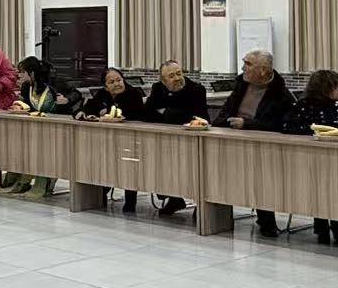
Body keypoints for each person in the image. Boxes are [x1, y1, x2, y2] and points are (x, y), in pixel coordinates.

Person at [216, 51, 296, 236]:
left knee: (261, 178)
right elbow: (224, 112)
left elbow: (283, 125)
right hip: (230, 138)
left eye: (248, 64)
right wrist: (225, 123)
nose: (243, 68)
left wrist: (247, 124)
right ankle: (211, 213)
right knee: (215, 170)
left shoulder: (281, 95)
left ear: (263, 70)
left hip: (262, 146)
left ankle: (266, 221)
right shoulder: (240, 85)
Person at [283, 70, 338, 245]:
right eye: (336, 87)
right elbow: (289, 128)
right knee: (319, 189)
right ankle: (322, 231)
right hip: (311, 161)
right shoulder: (303, 105)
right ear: (326, 89)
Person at [0, 56, 75, 201]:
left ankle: (44, 183)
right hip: (37, 129)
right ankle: (21, 182)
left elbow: (76, 94)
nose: (20, 76)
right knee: (24, 148)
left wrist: (67, 100)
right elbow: (28, 104)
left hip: (58, 129)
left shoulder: (54, 84)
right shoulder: (27, 87)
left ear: (32, 73)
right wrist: (19, 105)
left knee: (44, 152)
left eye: (23, 72)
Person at [77, 68, 150, 212]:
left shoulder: (133, 93)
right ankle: (100, 193)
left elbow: (138, 116)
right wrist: (82, 113)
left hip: (131, 140)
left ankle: (130, 201)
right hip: (107, 140)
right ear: (105, 86)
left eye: (119, 80)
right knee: (100, 160)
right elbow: (89, 107)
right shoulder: (102, 94)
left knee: (128, 166)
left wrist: (109, 113)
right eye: (112, 82)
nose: (117, 84)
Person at [143, 60, 209, 216]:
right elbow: (146, 114)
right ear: (163, 80)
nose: (177, 78)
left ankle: (201, 204)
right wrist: (175, 114)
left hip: (192, 139)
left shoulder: (196, 89)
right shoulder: (157, 88)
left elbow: (197, 117)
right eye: (172, 76)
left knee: (193, 170)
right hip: (164, 139)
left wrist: (165, 112)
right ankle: (174, 199)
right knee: (157, 163)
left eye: (179, 73)